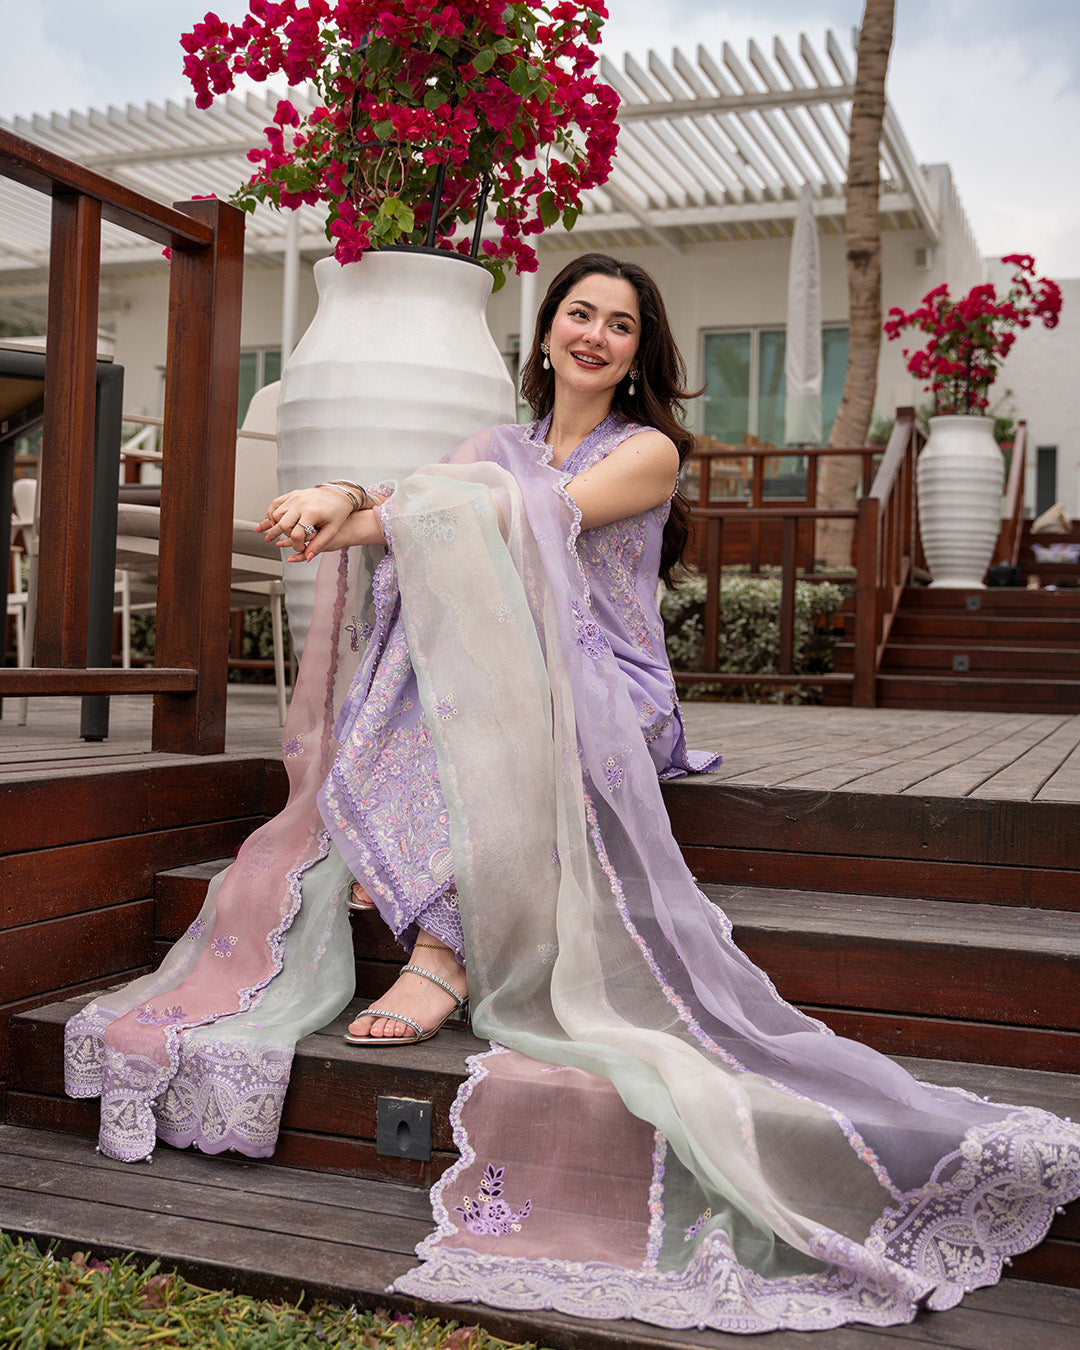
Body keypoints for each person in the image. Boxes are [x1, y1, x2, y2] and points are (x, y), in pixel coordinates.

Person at [65, 255, 1080, 1335]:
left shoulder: (647, 452)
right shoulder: (493, 444)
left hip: (605, 684)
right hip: (504, 674)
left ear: (639, 354)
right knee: (430, 639)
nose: (595, 335)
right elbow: (424, 510)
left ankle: (441, 947)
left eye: (620, 325)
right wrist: (349, 502)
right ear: (546, 332)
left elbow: (520, 519)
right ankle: (419, 880)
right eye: (579, 315)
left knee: (470, 618)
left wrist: (362, 505)